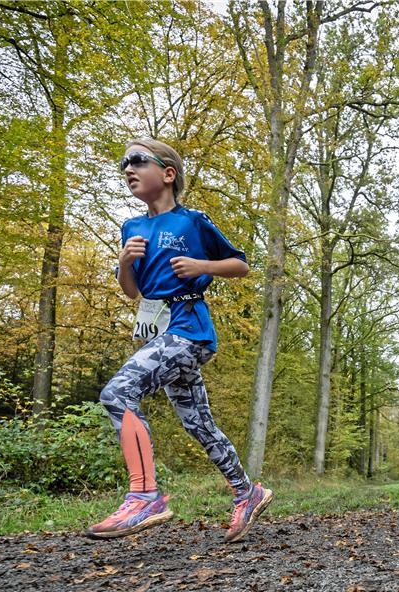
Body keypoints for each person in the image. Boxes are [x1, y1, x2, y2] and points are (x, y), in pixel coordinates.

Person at [86, 138, 272, 541]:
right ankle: (248, 491)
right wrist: (123, 264)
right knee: (198, 424)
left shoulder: (192, 221)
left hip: (190, 331)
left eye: (137, 160)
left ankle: (145, 495)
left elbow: (239, 264)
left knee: (117, 393)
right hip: (159, 331)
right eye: (124, 163)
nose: (128, 168)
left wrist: (200, 265)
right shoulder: (131, 227)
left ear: (168, 174)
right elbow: (131, 292)